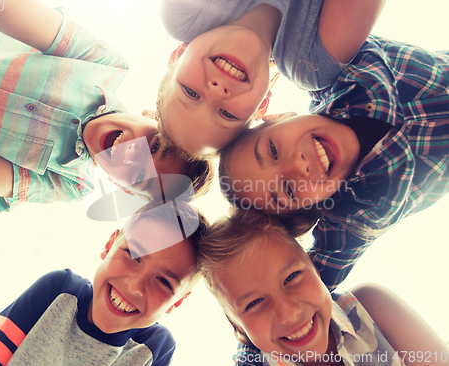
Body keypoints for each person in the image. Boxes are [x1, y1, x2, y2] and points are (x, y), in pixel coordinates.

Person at [218, 32, 449, 289]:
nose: (298, 166)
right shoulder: (354, 217)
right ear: (315, 206)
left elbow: (286, 25)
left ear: (279, 116)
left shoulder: (333, 70)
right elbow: (312, 286)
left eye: (272, 149)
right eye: (289, 189)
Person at [0, 1, 212, 213]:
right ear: (153, 116)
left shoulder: (68, 183)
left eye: (140, 176)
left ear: (123, 188)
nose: (134, 155)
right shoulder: (104, 65)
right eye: (154, 145)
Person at [0, 200, 209, 366]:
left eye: (164, 281)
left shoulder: (154, 349)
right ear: (109, 245)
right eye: (133, 254)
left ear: (178, 302)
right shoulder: (60, 291)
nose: (134, 286)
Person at [198, 208, 449, 366]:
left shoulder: (371, 306)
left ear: (315, 269)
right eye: (253, 303)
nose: (289, 312)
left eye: (292, 277)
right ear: (238, 326)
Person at [155, 0, 386, 156]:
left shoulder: (185, 14)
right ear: (262, 104)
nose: (216, 92)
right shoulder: (311, 65)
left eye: (190, 92)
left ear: (178, 55)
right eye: (226, 114)